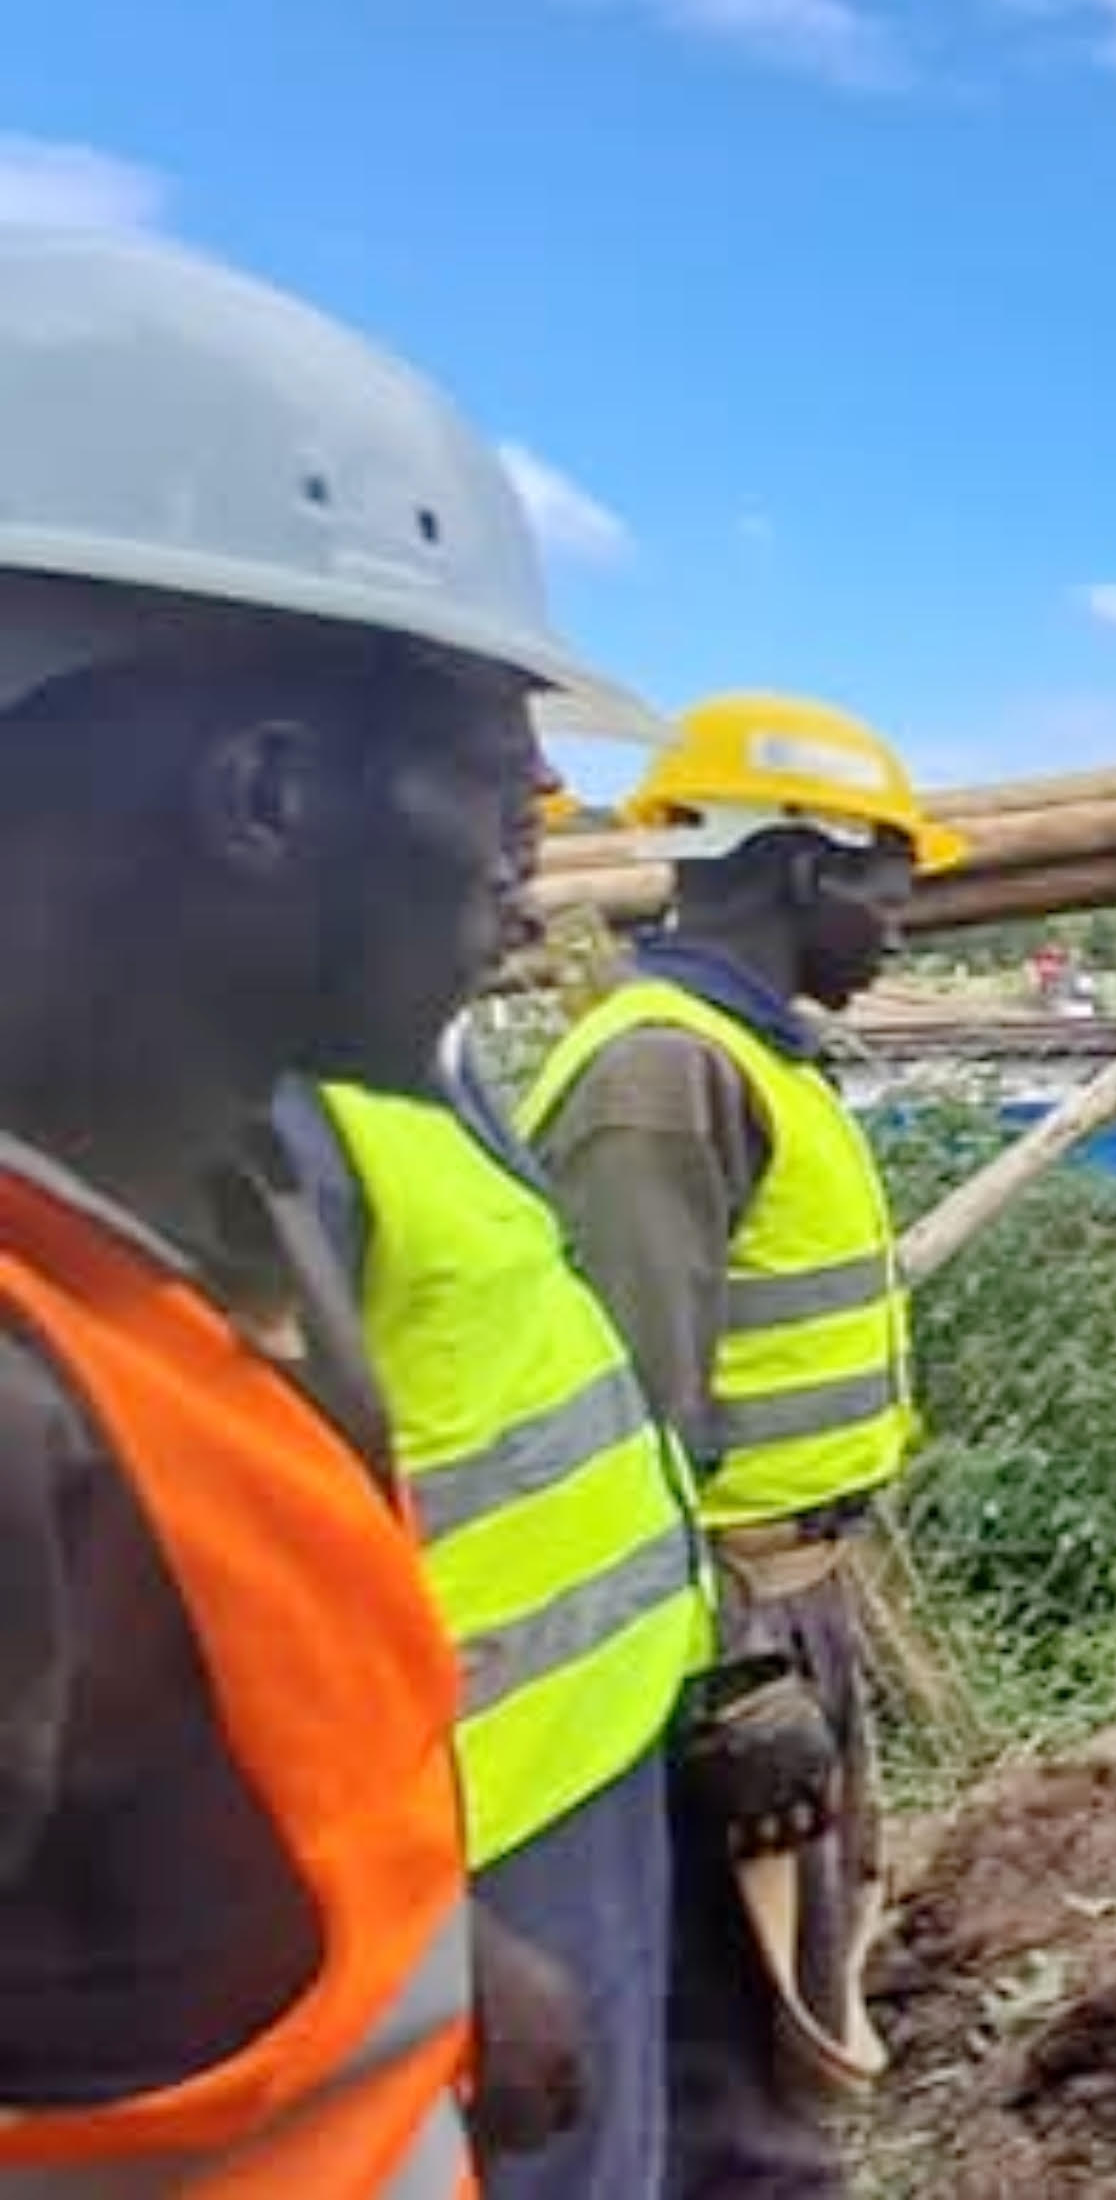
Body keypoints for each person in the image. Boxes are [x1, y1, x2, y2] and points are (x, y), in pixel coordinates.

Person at [0, 232, 646, 2186]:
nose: (532, 873)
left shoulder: (206, 1215)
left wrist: (442, 1955)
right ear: (272, 795)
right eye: (499, 791)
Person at [523, 691, 964, 2198]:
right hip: (723, 1623)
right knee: (728, 2051)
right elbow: (632, 1426)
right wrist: (727, 1670)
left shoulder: (747, 1056)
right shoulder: (662, 1077)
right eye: (887, 881)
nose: (900, 922)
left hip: (788, 1601)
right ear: (798, 866)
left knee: (784, 2020)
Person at [294, 1019, 722, 2200]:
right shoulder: (271, 1111)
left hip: (581, 1753)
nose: (526, 862)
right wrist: (443, 1930)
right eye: (489, 822)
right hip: (472, 1819)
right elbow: (246, 1575)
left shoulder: (420, 1054)